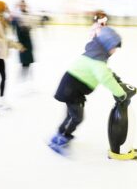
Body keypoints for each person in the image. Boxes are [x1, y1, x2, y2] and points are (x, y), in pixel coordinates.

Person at [49, 26, 127, 154]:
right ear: (106, 45)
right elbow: (105, 78)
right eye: (114, 47)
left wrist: (117, 79)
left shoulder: (94, 56)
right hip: (72, 91)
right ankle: (60, 137)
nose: (115, 51)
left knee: (72, 115)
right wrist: (120, 93)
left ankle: (62, 133)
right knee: (77, 117)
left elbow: (106, 73)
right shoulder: (97, 62)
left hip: (72, 89)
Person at [14, 0, 35, 80]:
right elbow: (16, 26)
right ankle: (23, 73)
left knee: (28, 56)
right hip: (21, 38)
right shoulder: (17, 15)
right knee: (23, 55)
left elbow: (31, 23)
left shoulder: (28, 14)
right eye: (21, 5)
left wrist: (29, 27)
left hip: (28, 37)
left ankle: (27, 72)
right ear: (19, 6)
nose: (23, 6)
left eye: (24, 5)